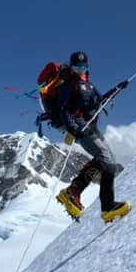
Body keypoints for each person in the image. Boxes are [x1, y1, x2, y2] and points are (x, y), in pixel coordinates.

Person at [54, 51, 131, 223]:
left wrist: (117, 89)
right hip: (82, 127)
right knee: (106, 159)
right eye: (77, 66)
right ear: (71, 66)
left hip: (92, 126)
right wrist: (73, 128)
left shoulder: (89, 85)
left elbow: (99, 101)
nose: (80, 69)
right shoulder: (67, 85)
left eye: (83, 66)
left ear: (87, 67)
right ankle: (105, 205)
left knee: (108, 160)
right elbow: (64, 109)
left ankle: (76, 192)